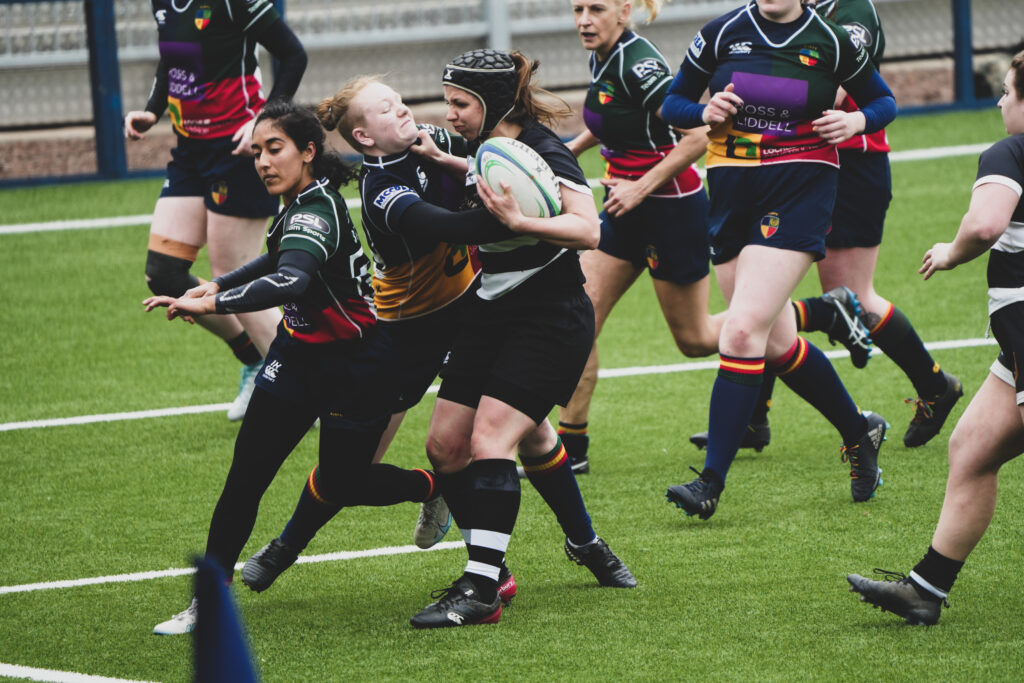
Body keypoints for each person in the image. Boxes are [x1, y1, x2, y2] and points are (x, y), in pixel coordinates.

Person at [146, 101, 444, 635]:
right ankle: (210, 601)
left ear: (308, 152)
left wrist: (214, 303)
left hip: (358, 367)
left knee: (343, 482)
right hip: (296, 356)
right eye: (257, 151)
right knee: (245, 477)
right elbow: (278, 256)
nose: (263, 161)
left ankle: (432, 487)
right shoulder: (299, 204)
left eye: (275, 148)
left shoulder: (314, 212)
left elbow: (291, 281)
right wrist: (217, 284)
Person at [236, 76, 519, 598]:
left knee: (528, 434)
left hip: (471, 313)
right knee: (346, 473)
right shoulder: (382, 190)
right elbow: (454, 228)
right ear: (364, 137)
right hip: (403, 336)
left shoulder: (433, 138)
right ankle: (290, 545)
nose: (404, 111)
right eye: (387, 109)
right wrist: (534, 219)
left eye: (400, 102)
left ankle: (576, 546)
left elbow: (496, 148)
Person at [404, 48, 638, 629]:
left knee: (491, 439)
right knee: (446, 446)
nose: (450, 114)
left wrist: (520, 224)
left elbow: (588, 229)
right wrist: (444, 159)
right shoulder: (491, 146)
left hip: (550, 316)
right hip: (491, 310)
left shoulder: (546, 149)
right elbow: (496, 173)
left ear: (492, 104)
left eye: (460, 104)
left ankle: (483, 586)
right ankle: (583, 543)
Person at [659, 0, 898, 518]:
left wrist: (855, 120)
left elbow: (883, 101)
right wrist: (703, 113)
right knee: (775, 343)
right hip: (731, 191)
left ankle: (710, 483)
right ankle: (859, 431)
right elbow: (672, 103)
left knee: (742, 331)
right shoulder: (722, 32)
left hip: (800, 189)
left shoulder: (832, 39)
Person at [694, 0, 962, 454]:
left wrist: (740, 88)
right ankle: (753, 416)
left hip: (850, 163)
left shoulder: (853, 13)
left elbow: (826, 95)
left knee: (851, 294)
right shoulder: (765, 15)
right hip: (782, 161)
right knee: (757, 288)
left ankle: (935, 385)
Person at [847, 52, 1024, 626]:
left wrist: (951, 252)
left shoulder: (1010, 152)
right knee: (972, 448)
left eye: (1007, 91)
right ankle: (926, 589)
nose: (1000, 101)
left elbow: (986, 224)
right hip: (1014, 346)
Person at [556, 0, 721, 474]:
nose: (584, 20)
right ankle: (572, 447)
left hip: (671, 210)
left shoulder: (640, 65)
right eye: (577, 9)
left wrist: (640, 186)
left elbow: (698, 135)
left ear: (624, 11)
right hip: (622, 208)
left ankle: (795, 317)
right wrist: (570, 150)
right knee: (578, 318)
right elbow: (613, 116)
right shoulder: (601, 55)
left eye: (596, 9)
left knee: (695, 339)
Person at [124, 0, 307, 421]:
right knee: (164, 273)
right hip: (190, 152)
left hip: (238, 152)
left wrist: (264, 122)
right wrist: (152, 110)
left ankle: (304, 385)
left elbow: (293, 54)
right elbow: (173, 61)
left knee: (233, 275)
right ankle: (255, 361)